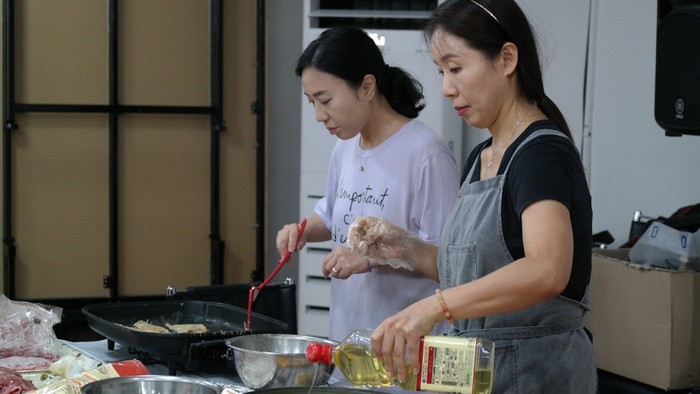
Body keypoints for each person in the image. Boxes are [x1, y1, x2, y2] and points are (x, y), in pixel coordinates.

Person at [346, 1, 597, 393]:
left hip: (538, 373)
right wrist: (406, 248)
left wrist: (434, 307)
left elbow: (548, 268)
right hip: (481, 372)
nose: (446, 88)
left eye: (456, 68)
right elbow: (474, 272)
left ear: (507, 59)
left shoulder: (540, 154)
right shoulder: (480, 157)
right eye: (442, 72)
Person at [276, 26, 459, 347]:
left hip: (405, 350)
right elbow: (332, 217)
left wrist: (371, 259)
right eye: (311, 102)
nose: (319, 115)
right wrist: (302, 231)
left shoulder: (426, 154)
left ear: (367, 87)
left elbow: (448, 263)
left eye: (326, 100)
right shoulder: (345, 146)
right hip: (349, 341)